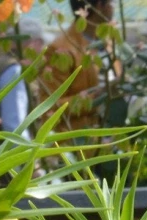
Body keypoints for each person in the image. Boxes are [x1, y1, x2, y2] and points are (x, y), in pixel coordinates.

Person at [36, 0, 117, 131]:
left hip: (109, 136)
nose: (114, 8)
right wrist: (96, 99)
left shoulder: (107, 44)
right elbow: (47, 108)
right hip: (76, 142)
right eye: (112, 3)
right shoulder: (60, 51)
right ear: (99, 6)